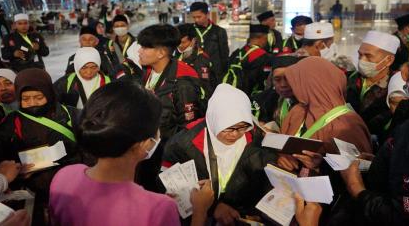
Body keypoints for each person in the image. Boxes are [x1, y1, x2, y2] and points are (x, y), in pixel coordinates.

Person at [49, 81, 214, 226]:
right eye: (157, 127)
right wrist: (200, 211)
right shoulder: (158, 209)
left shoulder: (64, 178)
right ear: (144, 144)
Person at [340, 29, 409, 226]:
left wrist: (356, 188)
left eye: (368, 55)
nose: (362, 59)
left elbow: (407, 215)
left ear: (406, 72)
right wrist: (384, 160)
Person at [162, 84, 277, 225]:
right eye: (228, 128)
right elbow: (172, 190)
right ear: (215, 120)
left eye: (242, 127)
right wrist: (213, 207)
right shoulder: (182, 145)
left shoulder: (256, 140)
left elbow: (263, 183)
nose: (235, 134)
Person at [0, 68, 81, 225]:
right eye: (25, 99)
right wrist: (17, 171)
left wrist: (68, 158)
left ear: (49, 93)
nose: (32, 104)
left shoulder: (72, 115)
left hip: (74, 186)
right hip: (37, 194)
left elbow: (91, 148)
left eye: (39, 97)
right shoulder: (11, 123)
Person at [137, 24, 204, 191]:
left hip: (167, 158)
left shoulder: (182, 82)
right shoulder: (148, 72)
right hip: (148, 151)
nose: (140, 51)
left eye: (145, 47)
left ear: (161, 53)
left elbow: (189, 129)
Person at [278, 57, 372, 172]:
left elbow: (360, 172)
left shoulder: (348, 124)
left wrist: (321, 166)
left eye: (297, 82)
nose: (292, 87)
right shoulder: (298, 111)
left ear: (312, 85)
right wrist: (282, 157)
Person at [346, 31, 400, 138]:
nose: (362, 60)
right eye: (360, 54)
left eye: (368, 56)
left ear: (388, 60)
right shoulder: (347, 78)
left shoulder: (396, 87)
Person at [252, 54, 302, 128]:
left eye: (288, 79)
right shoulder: (263, 100)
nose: (283, 85)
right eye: (277, 79)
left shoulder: (308, 103)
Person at [224, 24, 271, 97]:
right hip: (250, 96)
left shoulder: (237, 52)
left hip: (231, 93)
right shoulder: (263, 56)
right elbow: (262, 80)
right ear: (262, 38)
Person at [190, 2, 229, 80]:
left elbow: (224, 55)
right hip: (194, 72)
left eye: (199, 17)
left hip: (214, 73)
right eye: (194, 17)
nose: (196, 20)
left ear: (207, 14)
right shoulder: (189, 31)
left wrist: (224, 74)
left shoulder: (219, 31)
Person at [175, 23, 216, 93]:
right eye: (177, 42)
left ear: (193, 41)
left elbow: (205, 87)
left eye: (183, 42)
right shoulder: (178, 54)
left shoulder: (201, 59)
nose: (179, 46)